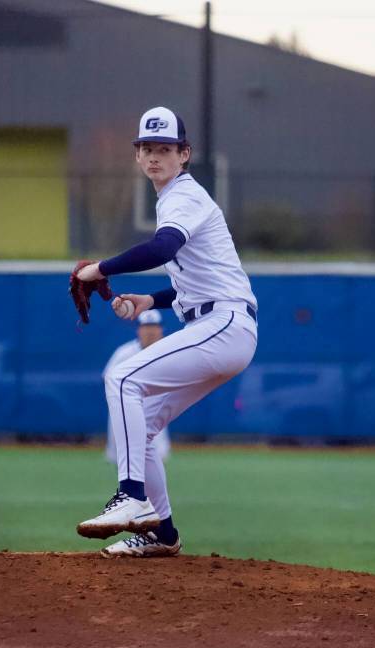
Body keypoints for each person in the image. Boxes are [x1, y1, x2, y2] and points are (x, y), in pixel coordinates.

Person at [74, 105, 258, 558]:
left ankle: (131, 497)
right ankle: (164, 533)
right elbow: (192, 281)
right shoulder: (175, 199)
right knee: (146, 425)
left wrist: (99, 268)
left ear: (184, 154)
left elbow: (162, 247)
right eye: (147, 149)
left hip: (225, 325)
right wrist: (148, 301)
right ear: (138, 156)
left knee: (122, 378)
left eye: (165, 149)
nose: (155, 157)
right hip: (221, 324)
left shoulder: (184, 196)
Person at [102, 309, 171, 464]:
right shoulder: (124, 353)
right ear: (138, 330)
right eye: (146, 327)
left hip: (155, 413)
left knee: (156, 459)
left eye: (154, 326)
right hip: (125, 411)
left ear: (161, 329)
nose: (150, 331)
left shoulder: (169, 350)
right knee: (123, 460)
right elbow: (106, 380)